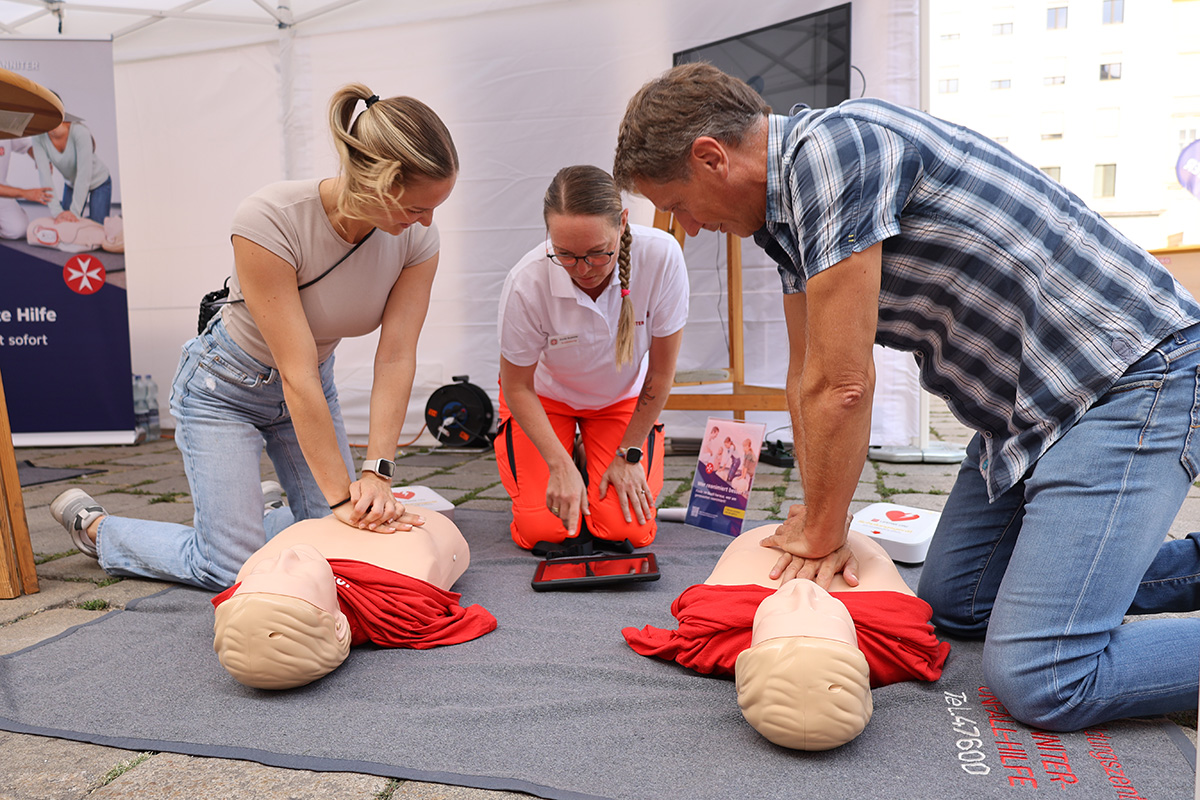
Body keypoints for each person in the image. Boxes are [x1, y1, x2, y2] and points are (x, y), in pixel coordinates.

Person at [612, 61, 1200, 731]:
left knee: (1043, 677)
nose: (686, 225)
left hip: (1127, 377)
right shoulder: (785, 221)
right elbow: (804, 376)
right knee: (959, 604)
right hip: (1028, 412)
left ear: (710, 157)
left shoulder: (831, 155)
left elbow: (842, 384)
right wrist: (812, 514)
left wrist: (825, 534)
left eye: (678, 204)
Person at [50, 83, 459, 591]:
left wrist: (377, 472)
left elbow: (396, 358)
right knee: (230, 570)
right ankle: (101, 530)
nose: (427, 222)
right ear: (379, 182)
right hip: (224, 391)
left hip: (310, 388)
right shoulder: (270, 218)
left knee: (339, 550)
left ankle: (261, 518)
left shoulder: (419, 240)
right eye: (418, 207)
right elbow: (294, 367)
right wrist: (340, 501)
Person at [494, 165, 688, 551]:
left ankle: (588, 452)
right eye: (565, 254)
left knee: (626, 532)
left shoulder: (662, 257)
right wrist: (558, 465)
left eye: (598, 254)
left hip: (621, 402)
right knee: (546, 532)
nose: (582, 270)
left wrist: (630, 454)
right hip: (545, 399)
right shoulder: (526, 280)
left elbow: (662, 375)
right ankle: (571, 456)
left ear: (623, 225)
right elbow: (517, 386)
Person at [622, 523, 949, 750]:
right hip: (846, 545)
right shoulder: (897, 639)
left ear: (746, 653)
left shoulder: (711, 628)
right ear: (862, 659)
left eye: (782, 612)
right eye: (825, 613)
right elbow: (870, 551)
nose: (803, 591)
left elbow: (675, 640)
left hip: (768, 539)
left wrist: (812, 530)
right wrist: (830, 533)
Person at [212, 510, 496, 690]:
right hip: (412, 514)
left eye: (266, 569)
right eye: (297, 575)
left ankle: (275, 511)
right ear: (338, 625)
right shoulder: (402, 586)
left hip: (331, 511)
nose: (286, 556)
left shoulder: (246, 578)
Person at [30, 102, 112, 224]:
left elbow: (84, 176)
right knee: (66, 224)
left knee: (97, 227)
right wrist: (57, 213)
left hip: (99, 182)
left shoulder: (79, 131)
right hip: (72, 185)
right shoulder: (38, 138)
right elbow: (45, 177)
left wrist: (74, 212)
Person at [0, 136, 52, 238]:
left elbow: (27, 145)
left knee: (18, 230)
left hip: (2, 192)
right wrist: (25, 193)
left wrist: (40, 159)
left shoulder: (5, 128)